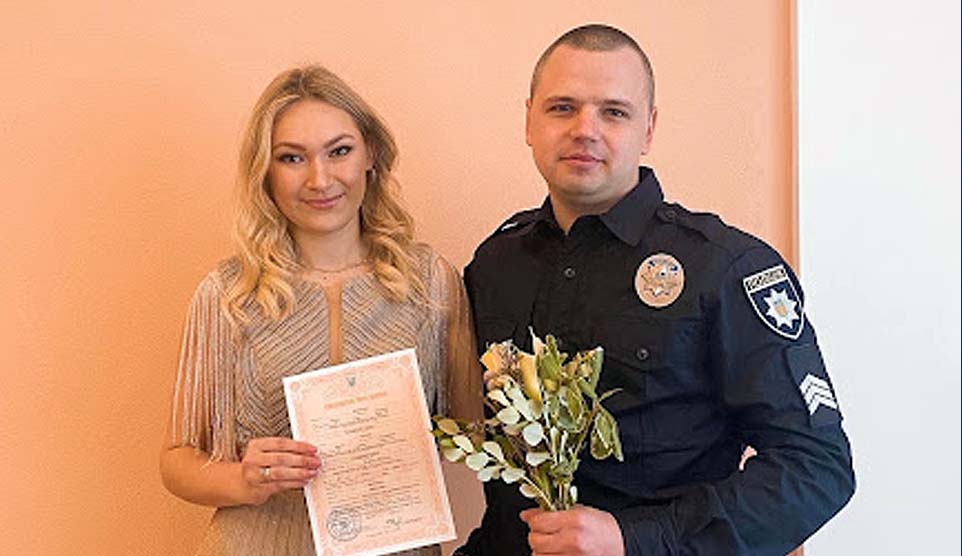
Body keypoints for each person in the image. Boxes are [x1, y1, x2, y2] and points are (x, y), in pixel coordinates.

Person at [458, 24, 855, 556]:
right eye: (562, 108)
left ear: (648, 129)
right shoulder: (495, 263)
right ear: (529, 120)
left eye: (614, 112)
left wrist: (636, 539)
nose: (585, 130)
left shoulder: (727, 268)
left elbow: (816, 469)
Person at [160, 65, 481, 556]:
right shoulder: (227, 296)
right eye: (292, 158)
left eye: (339, 151)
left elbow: (473, 431)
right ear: (266, 171)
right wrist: (244, 479)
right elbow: (176, 460)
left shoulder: (431, 283)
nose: (320, 178)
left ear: (370, 154)